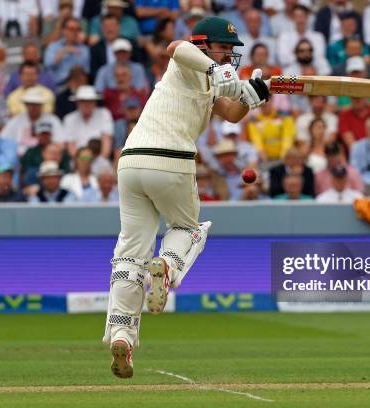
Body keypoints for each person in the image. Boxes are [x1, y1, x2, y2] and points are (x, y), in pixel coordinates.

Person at [104, 16, 271, 379]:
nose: (230, 56)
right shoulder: (186, 61)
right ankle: (168, 264)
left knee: (129, 254)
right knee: (189, 229)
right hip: (170, 161)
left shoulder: (211, 79)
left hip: (131, 162)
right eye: (224, 48)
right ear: (205, 46)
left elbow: (230, 114)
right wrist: (223, 72)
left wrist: (254, 95)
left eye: (232, 50)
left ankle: (121, 335)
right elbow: (174, 47)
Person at [0, 87, 66, 156]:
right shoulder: (17, 120)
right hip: (19, 159)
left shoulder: (52, 120)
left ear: (42, 105)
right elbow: (3, 139)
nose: (33, 107)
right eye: (30, 104)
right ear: (25, 105)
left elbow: (60, 142)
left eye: (36, 104)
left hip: (45, 158)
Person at [63, 85, 113, 158]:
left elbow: (106, 142)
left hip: (99, 159)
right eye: (83, 101)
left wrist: (100, 160)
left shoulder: (104, 114)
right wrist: (82, 161)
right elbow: (71, 146)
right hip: (78, 160)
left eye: (90, 101)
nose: (86, 104)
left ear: (95, 102)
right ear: (77, 103)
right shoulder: (69, 118)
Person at [43, 17, 90, 85]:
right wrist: (64, 50)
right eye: (71, 29)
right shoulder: (53, 47)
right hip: (59, 86)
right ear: (63, 30)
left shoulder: (84, 49)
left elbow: (87, 71)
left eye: (77, 29)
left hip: (78, 86)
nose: (74, 32)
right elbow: (48, 65)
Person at [247, 97, 295, 162]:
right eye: (260, 100)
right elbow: (256, 140)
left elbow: (287, 137)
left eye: (266, 99)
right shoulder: (254, 121)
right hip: (264, 159)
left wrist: (283, 156)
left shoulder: (284, 117)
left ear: (272, 100)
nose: (263, 102)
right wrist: (264, 158)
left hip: (284, 158)